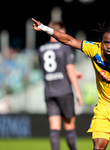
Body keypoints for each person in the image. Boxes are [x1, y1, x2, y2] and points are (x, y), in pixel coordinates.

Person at [32, 18, 110, 150]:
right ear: (101, 43)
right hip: (103, 109)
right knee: (98, 145)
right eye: (106, 42)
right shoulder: (94, 49)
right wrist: (46, 28)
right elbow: (69, 40)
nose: (109, 46)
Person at [37, 21, 83, 150]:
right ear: (59, 32)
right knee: (69, 127)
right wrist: (78, 93)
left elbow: (49, 69)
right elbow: (69, 70)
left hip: (49, 91)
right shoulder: (64, 47)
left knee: (54, 128)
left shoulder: (41, 49)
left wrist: (74, 73)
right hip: (64, 91)